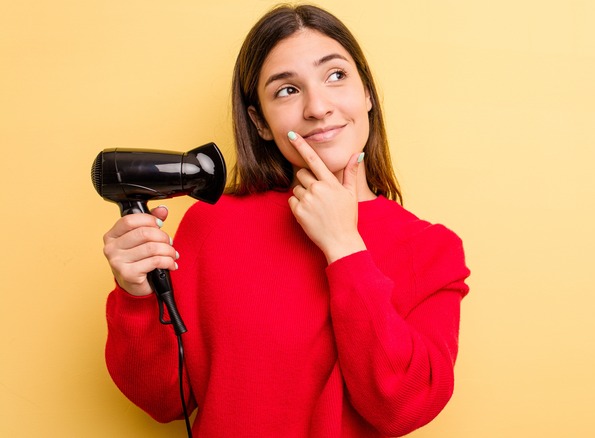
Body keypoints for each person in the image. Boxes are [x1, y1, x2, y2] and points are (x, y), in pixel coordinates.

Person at [101, 4, 470, 437]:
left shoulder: (432, 250)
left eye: (336, 75)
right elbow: (166, 400)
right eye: (287, 90)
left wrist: (344, 247)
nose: (318, 107)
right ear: (259, 121)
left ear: (367, 94)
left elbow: (403, 408)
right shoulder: (213, 225)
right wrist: (137, 296)